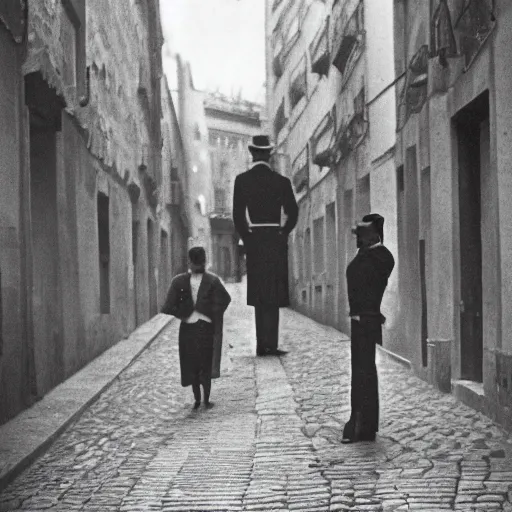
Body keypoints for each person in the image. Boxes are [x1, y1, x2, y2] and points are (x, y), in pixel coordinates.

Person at [233, 135, 298, 356]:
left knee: (260, 295)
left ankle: (262, 345)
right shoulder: (282, 182)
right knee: (274, 294)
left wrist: (248, 238)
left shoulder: (242, 180)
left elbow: (238, 216)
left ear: (252, 154)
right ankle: (272, 343)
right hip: (275, 239)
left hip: (256, 240)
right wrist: (282, 233)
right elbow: (293, 213)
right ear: (269, 155)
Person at [342, 213, 395, 443]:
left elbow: (366, 277)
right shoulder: (368, 254)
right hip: (359, 320)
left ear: (374, 234)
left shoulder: (381, 256)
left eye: (364, 232)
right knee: (362, 371)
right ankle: (364, 424)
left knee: (364, 372)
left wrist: (364, 246)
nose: (359, 237)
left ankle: (360, 425)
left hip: (368, 319)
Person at [161, 247, 231, 410]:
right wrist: (192, 313)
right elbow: (168, 306)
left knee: (198, 363)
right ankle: (201, 400)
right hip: (197, 327)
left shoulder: (203, 281)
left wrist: (194, 313)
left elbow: (225, 299)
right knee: (198, 363)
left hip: (197, 328)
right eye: (198, 261)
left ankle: (201, 400)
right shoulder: (188, 281)